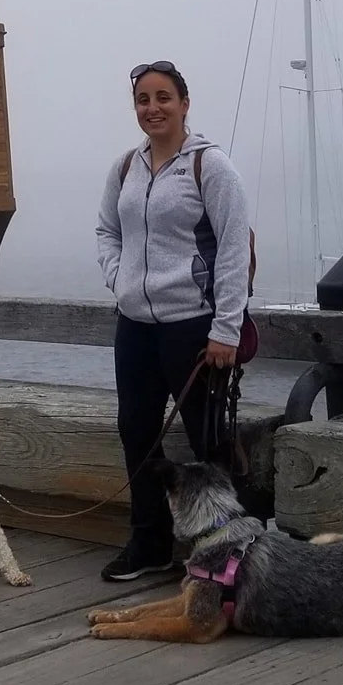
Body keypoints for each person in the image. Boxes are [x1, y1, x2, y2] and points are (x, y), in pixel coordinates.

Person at [93, 60, 252, 581]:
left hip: (193, 327)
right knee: (136, 431)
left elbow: (233, 247)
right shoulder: (125, 167)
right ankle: (150, 543)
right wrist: (119, 279)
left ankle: (233, 547)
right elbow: (107, 230)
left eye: (163, 97)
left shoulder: (211, 166)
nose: (152, 108)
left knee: (209, 440)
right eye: (143, 99)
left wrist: (225, 329)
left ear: (184, 103)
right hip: (135, 326)